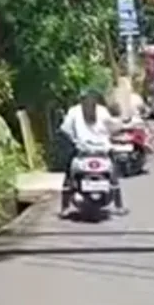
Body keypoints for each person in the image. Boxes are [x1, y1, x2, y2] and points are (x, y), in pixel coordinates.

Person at [58, 88, 127, 217]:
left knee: (68, 178)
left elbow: (65, 129)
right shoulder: (101, 110)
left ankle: (65, 207)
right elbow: (112, 127)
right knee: (114, 177)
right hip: (102, 151)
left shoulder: (74, 111)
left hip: (82, 151)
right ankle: (119, 206)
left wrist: (74, 140)